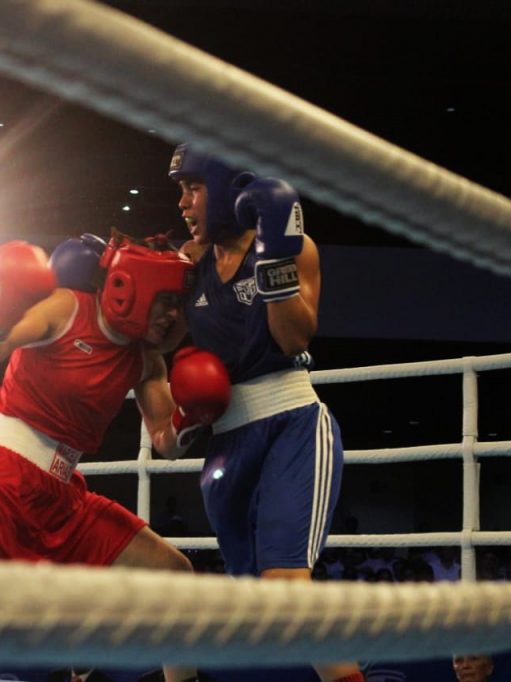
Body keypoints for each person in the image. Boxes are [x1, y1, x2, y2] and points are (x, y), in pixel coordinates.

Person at [0, 233, 231, 682]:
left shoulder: (145, 361)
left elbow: (166, 441)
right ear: (133, 289)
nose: (173, 316)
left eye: (178, 306)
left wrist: (190, 419)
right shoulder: (67, 308)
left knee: (174, 575)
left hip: (62, 497)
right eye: (167, 302)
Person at [168, 144, 363, 682]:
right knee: (259, 603)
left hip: (292, 426)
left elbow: (293, 336)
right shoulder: (190, 262)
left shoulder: (293, 247)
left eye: (193, 188)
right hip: (226, 443)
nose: (183, 203)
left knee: (286, 587)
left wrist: (274, 258)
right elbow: (157, 342)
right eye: (180, 191)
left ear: (226, 188)